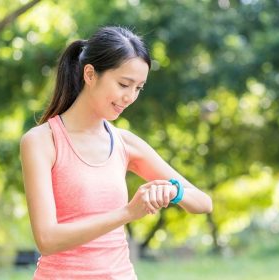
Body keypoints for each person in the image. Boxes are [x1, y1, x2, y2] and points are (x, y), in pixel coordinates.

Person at [20, 26, 213, 279]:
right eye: (124, 84)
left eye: (138, 88)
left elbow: (203, 202)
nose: (130, 97)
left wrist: (173, 191)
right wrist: (128, 213)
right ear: (90, 74)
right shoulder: (42, 141)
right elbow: (47, 239)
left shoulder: (124, 143)